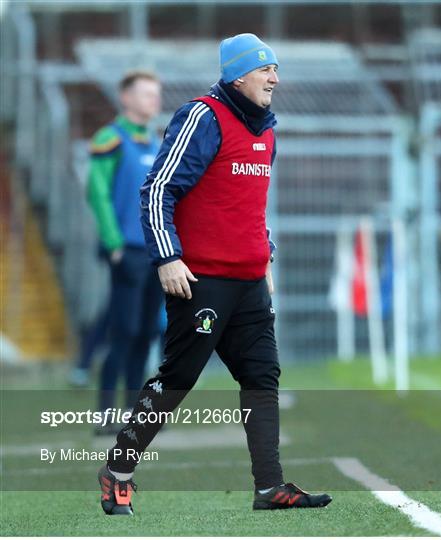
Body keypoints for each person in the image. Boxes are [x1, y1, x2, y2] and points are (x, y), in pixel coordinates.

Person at [98, 34, 332, 513]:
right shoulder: (202, 116)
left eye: (276, 69)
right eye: (266, 70)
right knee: (177, 379)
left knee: (262, 377)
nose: (275, 79)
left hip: (249, 284)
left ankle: (269, 487)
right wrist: (167, 257)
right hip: (200, 280)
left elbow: (249, 206)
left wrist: (263, 254)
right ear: (239, 75)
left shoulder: (268, 127)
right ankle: (117, 469)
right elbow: (158, 187)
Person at [87, 71, 165, 427]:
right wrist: (113, 243)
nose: (154, 100)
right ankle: (106, 413)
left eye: (156, 93)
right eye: (146, 93)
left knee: (147, 332)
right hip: (128, 252)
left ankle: (136, 412)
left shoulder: (155, 142)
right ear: (126, 98)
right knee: (123, 330)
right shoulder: (110, 139)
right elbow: (97, 192)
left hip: (155, 253)